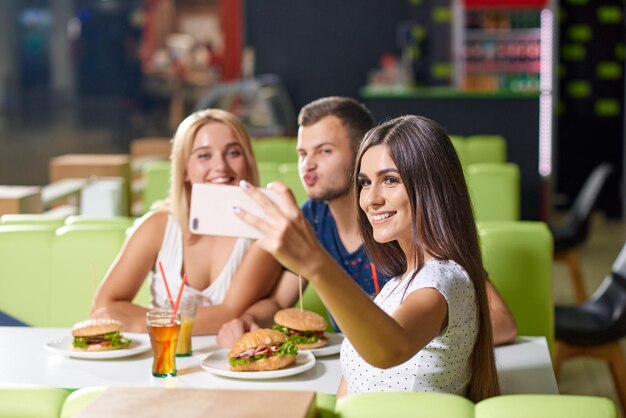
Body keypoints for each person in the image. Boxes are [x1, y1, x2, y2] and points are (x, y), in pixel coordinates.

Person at [235, 115, 500, 401]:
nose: (370, 199)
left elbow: (389, 350)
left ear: (431, 186)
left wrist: (316, 264)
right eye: (364, 182)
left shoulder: (444, 278)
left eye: (390, 180)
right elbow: (350, 387)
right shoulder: (395, 285)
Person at [217, 97, 516, 347]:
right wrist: (251, 320)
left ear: (363, 151)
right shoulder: (313, 216)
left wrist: (420, 340)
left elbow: (501, 322)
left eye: (324, 151)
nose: (307, 165)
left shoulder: (401, 222)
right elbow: (281, 300)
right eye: (302, 153)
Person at [91, 109, 283, 334]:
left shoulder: (265, 231)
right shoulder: (157, 226)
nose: (220, 166)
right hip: (162, 361)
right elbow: (103, 308)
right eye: (204, 155)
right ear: (184, 169)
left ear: (248, 162)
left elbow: (228, 314)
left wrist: (139, 322)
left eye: (233, 153)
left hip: (229, 363)